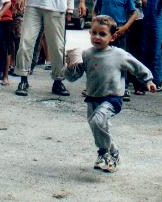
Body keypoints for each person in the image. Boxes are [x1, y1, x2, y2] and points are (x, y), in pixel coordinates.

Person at [64, 15, 156, 172]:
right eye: (94, 32)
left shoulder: (118, 54)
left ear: (112, 37)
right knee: (98, 128)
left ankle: (113, 153)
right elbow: (73, 76)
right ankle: (102, 153)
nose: (96, 37)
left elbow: (136, 66)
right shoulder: (86, 54)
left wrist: (148, 80)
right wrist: (69, 67)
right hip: (92, 97)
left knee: (97, 122)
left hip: (112, 98)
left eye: (102, 34)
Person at [93, 0, 137, 101]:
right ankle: (99, 86)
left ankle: (123, 88)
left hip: (119, 32)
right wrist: (95, 22)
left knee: (120, 60)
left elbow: (134, 13)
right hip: (103, 33)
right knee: (101, 58)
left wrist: (124, 28)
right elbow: (95, 10)